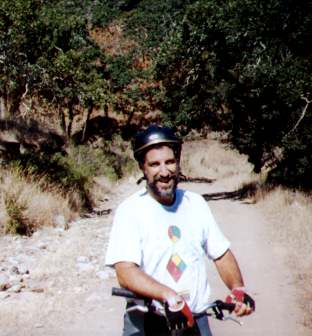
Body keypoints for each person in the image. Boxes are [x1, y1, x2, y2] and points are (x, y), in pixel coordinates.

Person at [105, 125, 255, 336]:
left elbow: (221, 254)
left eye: (169, 162)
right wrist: (168, 296)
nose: (164, 172)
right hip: (148, 321)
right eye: (155, 164)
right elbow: (126, 272)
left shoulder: (196, 204)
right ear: (142, 167)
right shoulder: (130, 211)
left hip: (195, 318)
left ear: (178, 162)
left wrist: (237, 288)